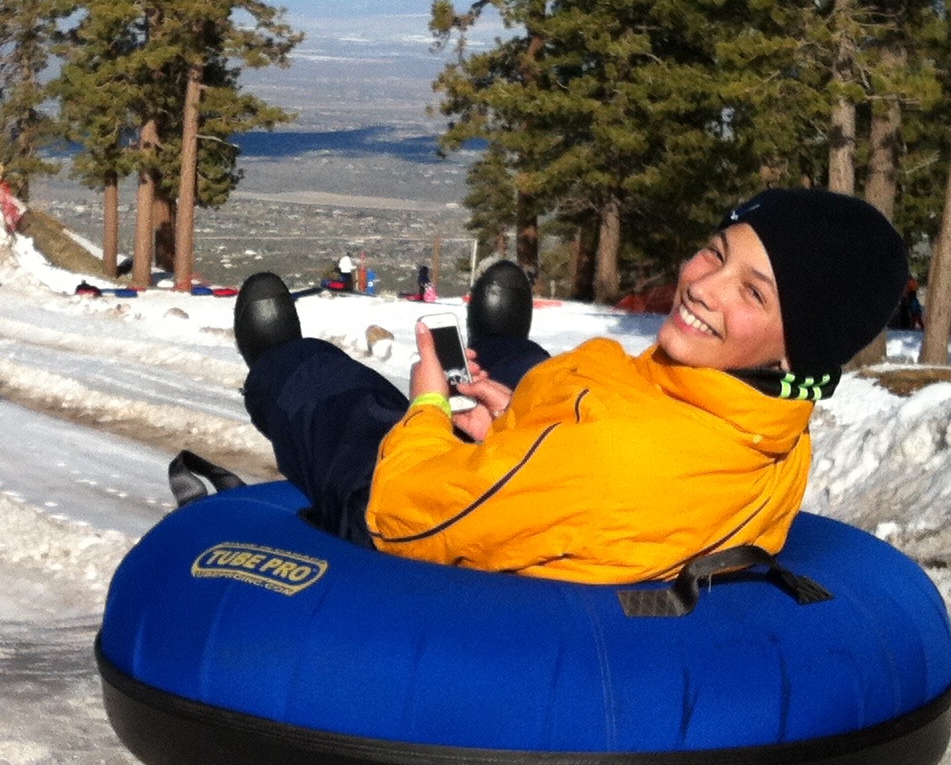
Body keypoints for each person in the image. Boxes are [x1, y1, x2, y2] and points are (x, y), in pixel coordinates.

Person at [230, 190, 907, 582]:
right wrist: (520, 421)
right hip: (591, 469)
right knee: (520, 374)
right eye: (715, 252)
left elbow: (405, 516)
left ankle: (283, 364)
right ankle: (502, 346)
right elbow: (604, 433)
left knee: (352, 413)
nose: (701, 286)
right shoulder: (770, 425)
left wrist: (428, 406)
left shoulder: (620, 456)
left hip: (496, 514)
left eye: (751, 293)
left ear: (798, 347)